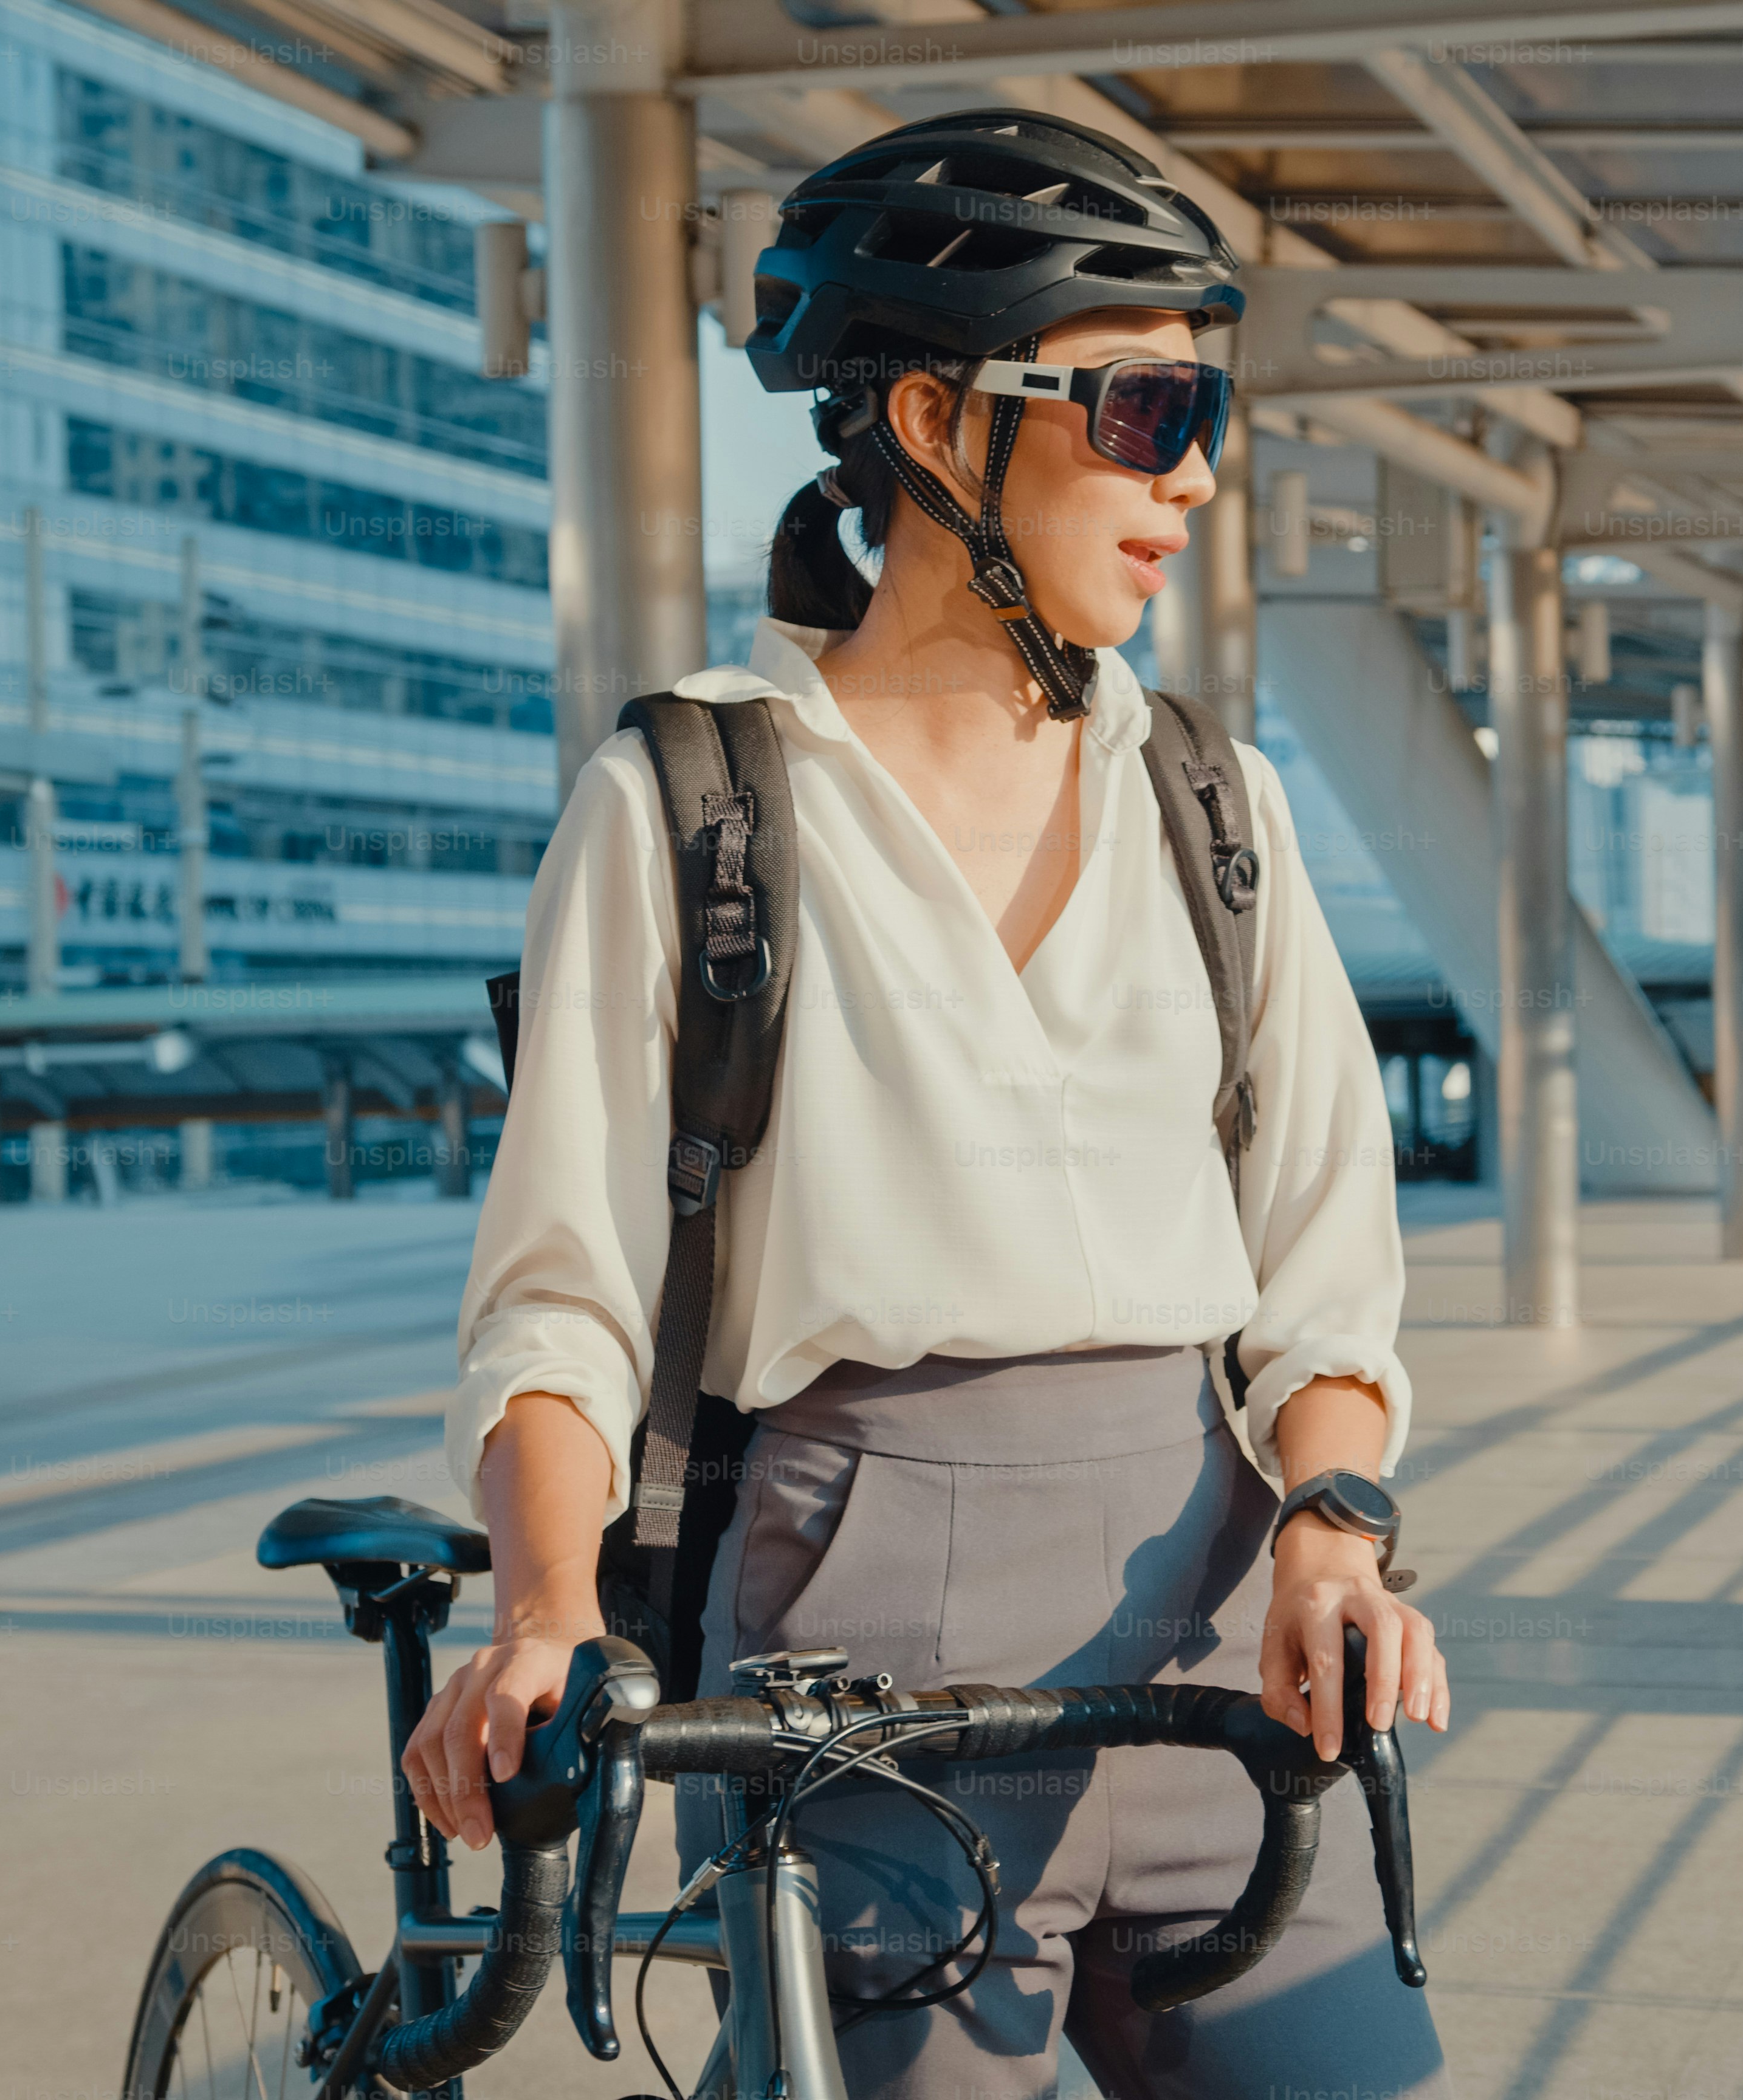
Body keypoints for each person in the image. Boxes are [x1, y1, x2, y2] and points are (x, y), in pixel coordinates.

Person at [404, 111, 1452, 2099]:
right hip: (855, 1644)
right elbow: (562, 1299)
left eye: (1207, 411)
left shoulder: (1214, 803)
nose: (1194, 472)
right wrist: (549, 1614)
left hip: (1221, 1621)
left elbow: (1323, 1275)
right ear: (937, 424)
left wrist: (1332, 1534)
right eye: (1146, 408)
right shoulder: (692, 803)